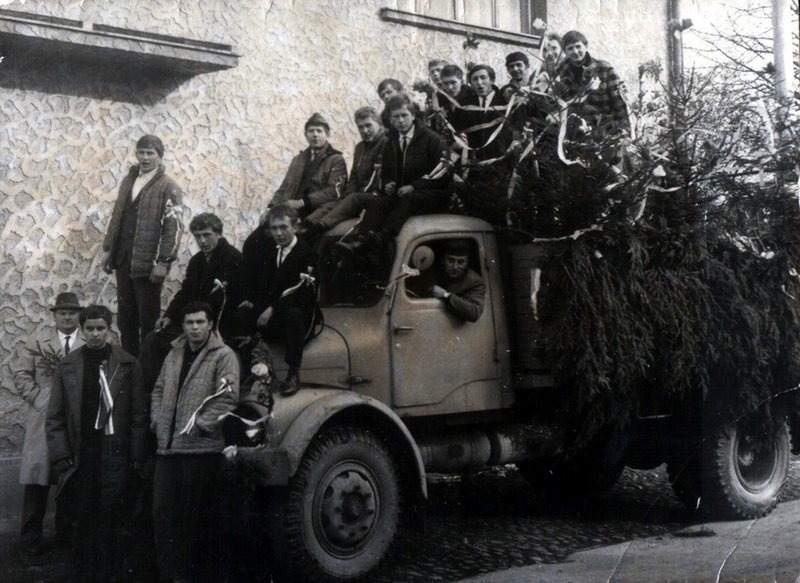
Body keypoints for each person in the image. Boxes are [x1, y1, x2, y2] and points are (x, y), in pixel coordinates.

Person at [46, 305, 147, 582]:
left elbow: (139, 415)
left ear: (109, 330)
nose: (95, 334)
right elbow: (54, 417)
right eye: (89, 329)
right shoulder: (67, 366)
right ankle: (83, 573)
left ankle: (112, 573)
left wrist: (137, 455)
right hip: (82, 454)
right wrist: (61, 454)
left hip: (115, 453)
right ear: (82, 330)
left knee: (113, 517)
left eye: (100, 328)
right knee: (83, 517)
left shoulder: (128, 364)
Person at [150, 302, 240, 583]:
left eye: (200, 322)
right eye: (189, 322)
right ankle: (174, 577)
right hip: (167, 450)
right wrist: (158, 420)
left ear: (210, 324)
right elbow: (158, 390)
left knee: (196, 522)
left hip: (201, 452)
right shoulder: (175, 353)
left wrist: (199, 425)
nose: (194, 328)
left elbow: (227, 398)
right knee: (164, 517)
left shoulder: (223, 355)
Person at [11, 292, 84, 556]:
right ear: (54, 315)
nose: (67, 317)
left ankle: (67, 537)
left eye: (72, 312)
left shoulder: (88, 341)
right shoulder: (38, 340)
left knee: (70, 475)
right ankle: (30, 539)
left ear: (79, 316)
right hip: (43, 416)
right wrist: (36, 397)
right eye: (62, 312)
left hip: (75, 418)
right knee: (38, 476)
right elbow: (20, 372)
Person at [139, 213, 244, 393]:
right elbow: (186, 292)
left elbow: (231, 301)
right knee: (152, 339)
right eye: (198, 236)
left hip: (217, 326)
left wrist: (204, 324)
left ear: (218, 234)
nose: (202, 241)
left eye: (207, 235)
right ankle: (148, 394)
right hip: (192, 324)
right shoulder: (197, 261)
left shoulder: (233, 259)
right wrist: (169, 316)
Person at [336, 94, 451, 258]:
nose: (401, 120)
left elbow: (443, 171)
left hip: (432, 194)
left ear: (413, 115)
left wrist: (414, 186)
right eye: (396, 117)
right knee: (377, 202)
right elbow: (385, 173)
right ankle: (360, 241)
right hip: (403, 194)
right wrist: (386, 185)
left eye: (404, 115)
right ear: (390, 120)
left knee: (408, 199)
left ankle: (383, 236)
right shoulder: (391, 143)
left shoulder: (432, 139)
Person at [102, 134, 184, 356]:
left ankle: (147, 374)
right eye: (142, 152)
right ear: (136, 154)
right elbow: (117, 215)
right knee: (126, 320)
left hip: (148, 266)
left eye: (151, 153)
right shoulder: (129, 181)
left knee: (148, 322)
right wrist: (109, 249)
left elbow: (173, 227)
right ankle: (129, 366)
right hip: (123, 260)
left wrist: (164, 262)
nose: (145, 158)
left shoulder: (169, 187)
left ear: (160, 156)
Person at [238, 205, 318, 396]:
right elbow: (259, 282)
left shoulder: (307, 254)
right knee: (241, 313)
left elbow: (303, 293)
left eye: (284, 227)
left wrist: (273, 308)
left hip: (296, 315)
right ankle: (253, 369)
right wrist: (250, 300)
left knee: (294, 314)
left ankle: (293, 373)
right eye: (274, 228)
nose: (279, 233)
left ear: (295, 228)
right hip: (271, 313)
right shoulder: (270, 251)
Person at [300, 106, 389, 235]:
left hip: (374, 195)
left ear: (379, 124)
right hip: (357, 196)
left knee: (351, 199)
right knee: (334, 203)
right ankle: (304, 225)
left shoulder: (386, 143)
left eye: (369, 125)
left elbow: (377, 176)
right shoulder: (360, 147)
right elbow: (354, 175)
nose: (365, 130)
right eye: (360, 127)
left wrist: (354, 195)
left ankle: (319, 228)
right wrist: (347, 194)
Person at [269, 113, 348, 221]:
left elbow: (334, 191)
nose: (315, 135)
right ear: (305, 134)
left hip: (316, 211)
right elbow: (284, 187)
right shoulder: (298, 160)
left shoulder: (335, 159)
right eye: (311, 131)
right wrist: (271, 208)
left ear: (327, 134)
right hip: (290, 212)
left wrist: (302, 202)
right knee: (259, 233)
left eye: (319, 131)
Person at [554, 30, 630, 140]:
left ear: (586, 46)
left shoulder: (605, 69)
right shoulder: (561, 73)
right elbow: (560, 104)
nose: (575, 51)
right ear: (565, 51)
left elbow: (619, 103)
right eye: (570, 48)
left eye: (578, 46)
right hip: (575, 133)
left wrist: (625, 131)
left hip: (605, 129)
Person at [450, 64, 513, 162]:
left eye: (483, 78)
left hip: (501, 160)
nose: (479, 83)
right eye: (474, 79)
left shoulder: (506, 101)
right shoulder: (464, 105)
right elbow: (457, 130)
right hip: (474, 161)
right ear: (470, 83)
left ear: (492, 80)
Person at [428, 240, 486, 322]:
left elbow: (475, 312)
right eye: (451, 260)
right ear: (442, 260)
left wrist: (446, 295)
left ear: (467, 263)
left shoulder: (475, 282)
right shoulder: (433, 275)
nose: (455, 266)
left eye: (460, 262)